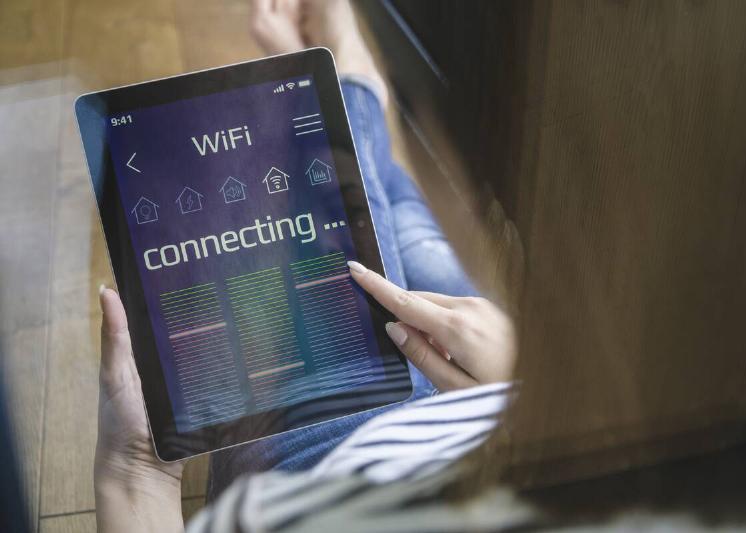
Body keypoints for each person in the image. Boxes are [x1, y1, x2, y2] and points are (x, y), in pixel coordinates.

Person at [94, 1, 525, 531]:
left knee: (351, 233)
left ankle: (341, 86)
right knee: (411, 245)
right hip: (493, 430)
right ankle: (331, 90)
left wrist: (136, 467)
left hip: (321, 462)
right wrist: (518, 399)